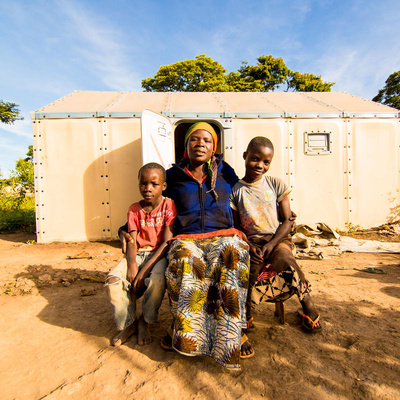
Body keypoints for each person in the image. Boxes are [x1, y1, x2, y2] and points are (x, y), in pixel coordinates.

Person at [121, 122, 253, 370]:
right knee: (184, 260)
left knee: (231, 256)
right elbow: (149, 204)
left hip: (223, 234)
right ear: (186, 146)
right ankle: (183, 330)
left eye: (207, 140)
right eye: (194, 139)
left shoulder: (226, 172)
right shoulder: (172, 176)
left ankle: (232, 334)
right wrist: (124, 231)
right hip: (187, 237)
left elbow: (246, 193)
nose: (200, 144)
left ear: (214, 148)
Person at [230, 136, 321, 333]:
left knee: (287, 262)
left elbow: (288, 220)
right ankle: (247, 314)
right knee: (251, 274)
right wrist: (249, 245)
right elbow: (237, 228)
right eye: (255, 158)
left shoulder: (276, 184)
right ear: (245, 156)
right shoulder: (236, 191)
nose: (260, 165)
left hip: (278, 239)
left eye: (266, 162)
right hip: (252, 243)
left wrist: (272, 244)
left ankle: (309, 307)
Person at [105, 162, 177, 347]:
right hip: (137, 254)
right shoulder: (134, 209)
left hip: (158, 256)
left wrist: (145, 268)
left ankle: (145, 320)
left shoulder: (169, 206)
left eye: (154, 184)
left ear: (163, 186)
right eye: (143, 184)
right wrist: (132, 264)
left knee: (157, 280)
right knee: (113, 280)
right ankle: (128, 323)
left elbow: (166, 243)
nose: (147, 188)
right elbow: (131, 240)